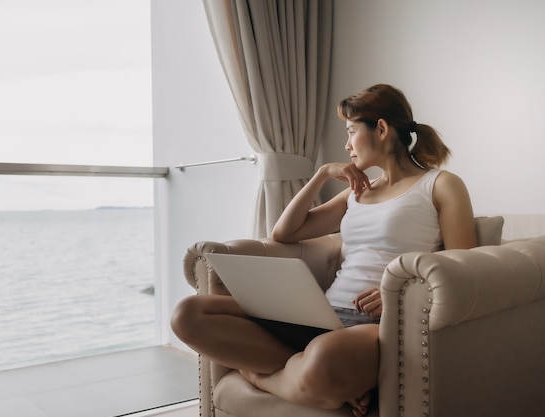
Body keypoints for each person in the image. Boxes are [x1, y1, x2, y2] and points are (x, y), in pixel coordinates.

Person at [170, 84, 477, 416]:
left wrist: (396, 295)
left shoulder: (441, 185)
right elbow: (285, 232)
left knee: (324, 357)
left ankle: (261, 375)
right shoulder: (357, 193)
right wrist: (321, 174)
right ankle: (314, 383)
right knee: (189, 314)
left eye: (350, 132)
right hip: (319, 313)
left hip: (372, 325)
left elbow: (464, 267)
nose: (346, 145)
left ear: (382, 129)